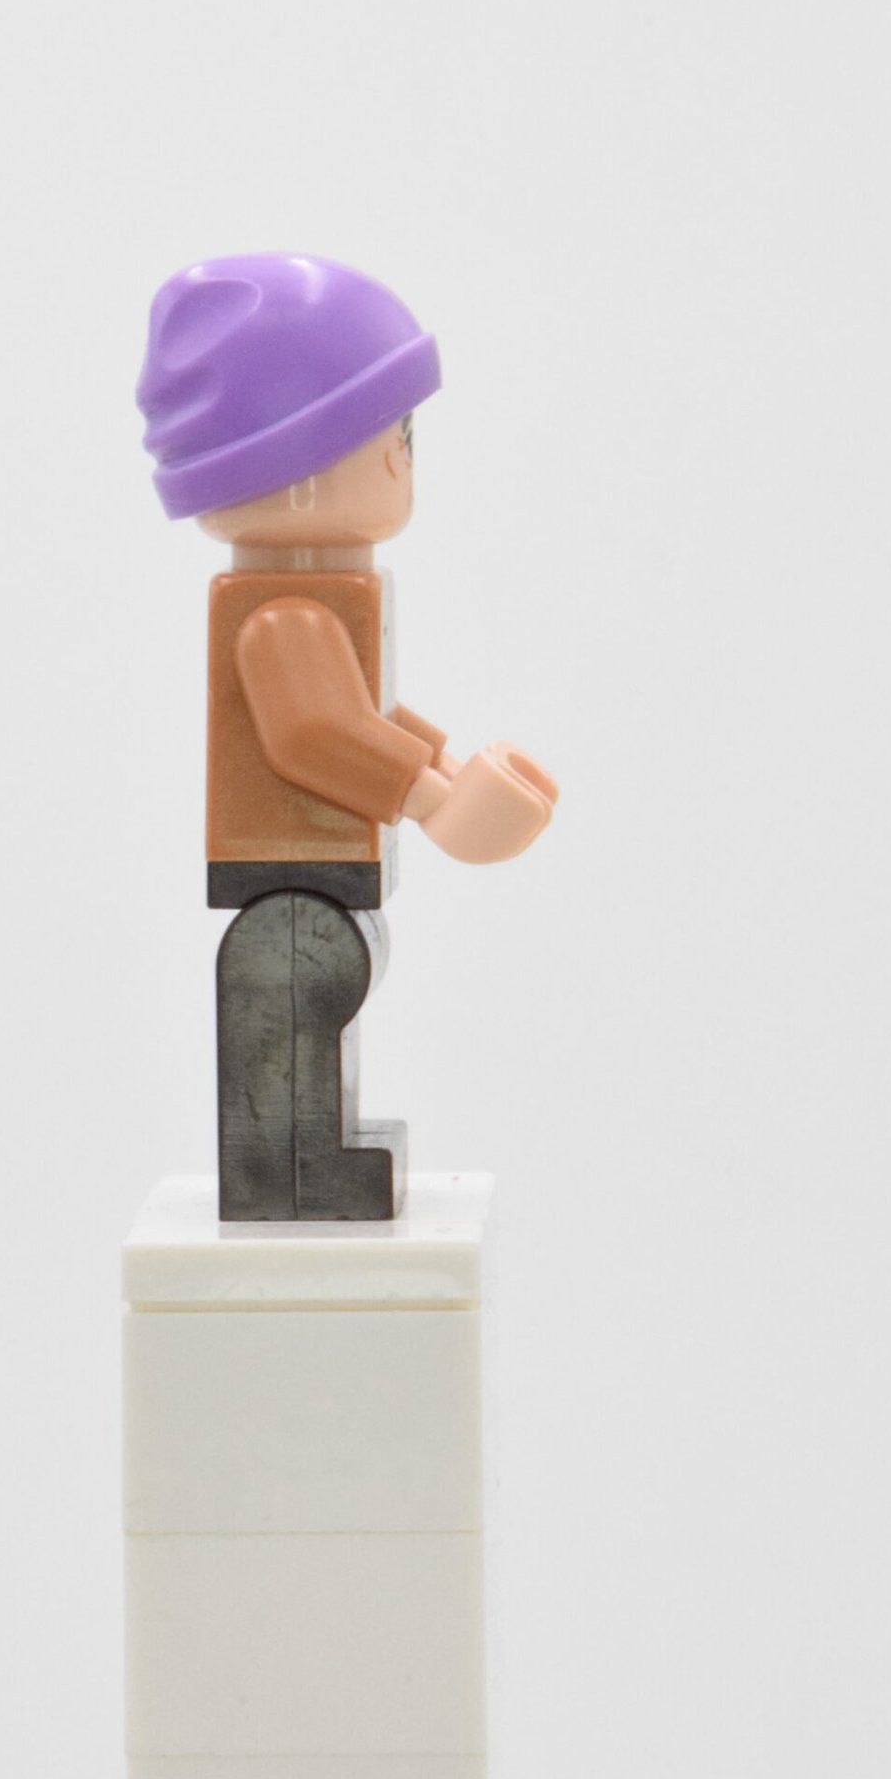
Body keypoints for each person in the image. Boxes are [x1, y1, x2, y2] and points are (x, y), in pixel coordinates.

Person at [137, 253, 557, 1220]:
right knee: (301, 988)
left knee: (322, 986)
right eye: (397, 435)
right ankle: (294, 1173)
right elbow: (317, 734)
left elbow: (367, 711)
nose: (408, 458)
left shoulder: (322, 598)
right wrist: (438, 803)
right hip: (283, 875)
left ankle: (308, 1162)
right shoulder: (284, 613)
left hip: (306, 878)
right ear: (301, 451)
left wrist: (447, 764)